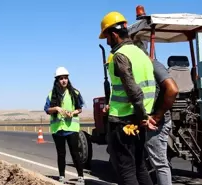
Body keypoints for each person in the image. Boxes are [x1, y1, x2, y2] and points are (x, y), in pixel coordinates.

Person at [99, 11, 157, 185]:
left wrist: (142, 117)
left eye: (107, 37)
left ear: (114, 34)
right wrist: (145, 116)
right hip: (140, 119)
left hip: (125, 121)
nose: (107, 42)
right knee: (140, 166)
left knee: (126, 171)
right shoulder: (141, 55)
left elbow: (134, 92)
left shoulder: (120, 56)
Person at [134, 39, 179, 185]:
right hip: (151, 121)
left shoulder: (153, 66)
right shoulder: (146, 67)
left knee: (160, 164)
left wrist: (157, 116)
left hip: (157, 123)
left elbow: (172, 89)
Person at [44, 66, 85, 185]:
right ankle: (61, 176)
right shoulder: (51, 94)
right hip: (58, 129)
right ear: (57, 80)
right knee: (61, 153)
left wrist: (72, 113)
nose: (64, 81)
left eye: (66, 78)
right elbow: (47, 109)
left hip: (71, 128)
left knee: (75, 152)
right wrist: (56, 108)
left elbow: (79, 108)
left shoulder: (75, 92)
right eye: (61, 78)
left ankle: (81, 177)